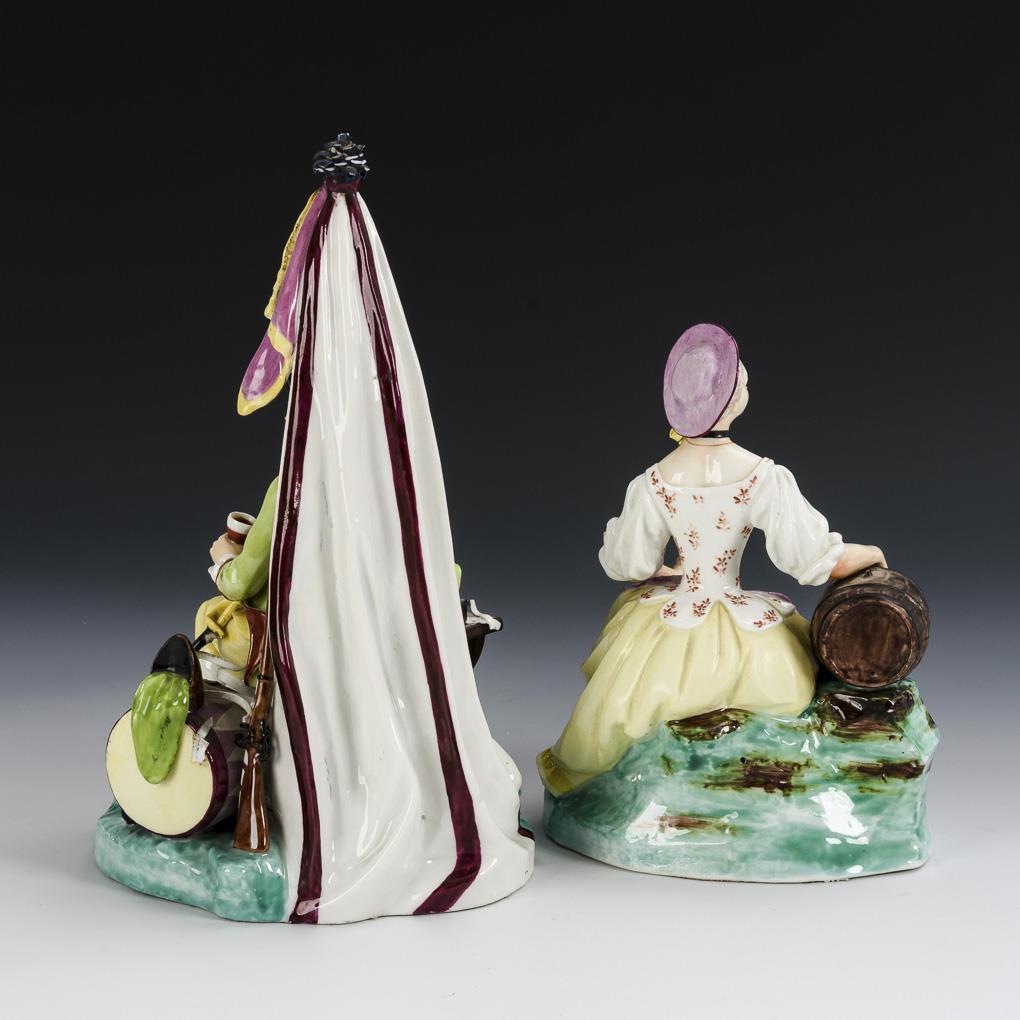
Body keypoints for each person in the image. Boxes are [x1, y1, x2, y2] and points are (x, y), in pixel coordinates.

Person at [538, 325, 884, 796]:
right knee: (781, 682)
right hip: (739, 616)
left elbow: (629, 563)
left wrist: (672, 573)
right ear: (732, 400)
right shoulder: (762, 475)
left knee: (631, 695)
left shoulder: (654, 480)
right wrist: (872, 554)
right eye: (742, 382)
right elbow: (810, 559)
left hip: (676, 615)